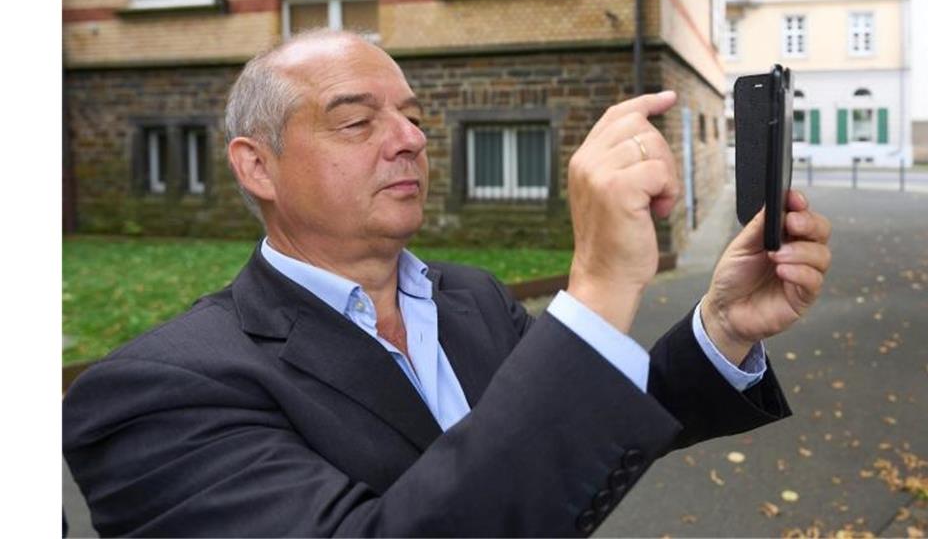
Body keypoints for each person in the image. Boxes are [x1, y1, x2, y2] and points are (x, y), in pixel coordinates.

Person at [63, 30, 832, 537]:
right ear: (255, 165)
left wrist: (724, 326)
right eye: (357, 121)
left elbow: (566, 429)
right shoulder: (153, 396)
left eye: (412, 117)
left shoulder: (471, 297)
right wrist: (598, 282)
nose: (409, 140)